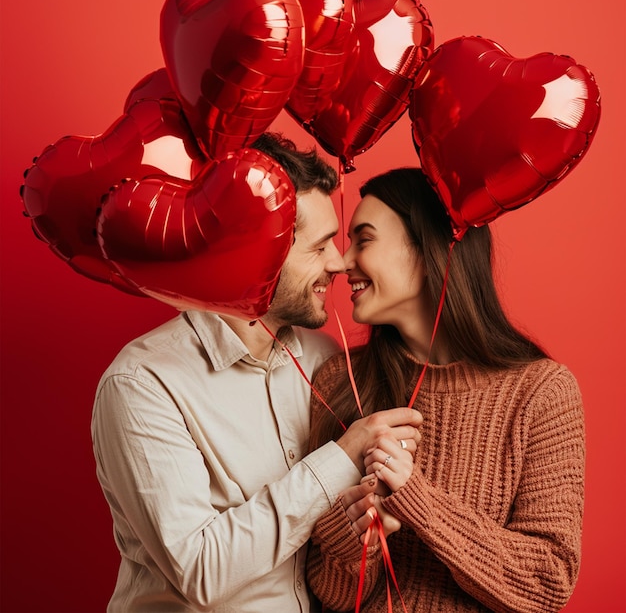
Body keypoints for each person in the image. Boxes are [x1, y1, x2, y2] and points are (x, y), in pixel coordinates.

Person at [91, 134, 423, 613]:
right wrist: (341, 456)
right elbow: (200, 572)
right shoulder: (143, 384)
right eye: (320, 246)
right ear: (258, 254)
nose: (338, 263)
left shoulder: (321, 357)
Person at [306, 168, 585, 612]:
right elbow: (330, 597)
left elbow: (546, 582)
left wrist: (417, 497)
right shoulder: (339, 382)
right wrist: (352, 536)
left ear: (427, 247)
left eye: (365, 239)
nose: (343, 261)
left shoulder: (541, 393)